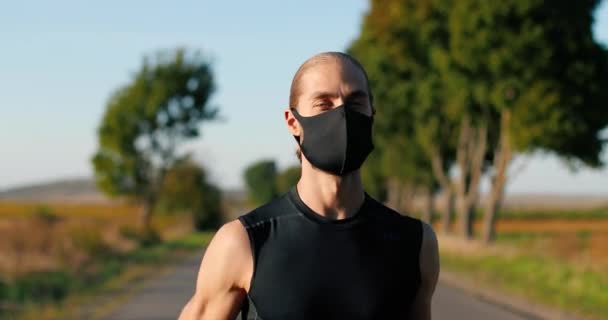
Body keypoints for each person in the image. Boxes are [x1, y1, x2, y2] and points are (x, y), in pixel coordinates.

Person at [178, 51, 439, 320]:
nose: (343, 116)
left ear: (372, 114)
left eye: (355, 103)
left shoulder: (415, 243)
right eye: (324, 104)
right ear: (293, 122)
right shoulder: (244, 242)